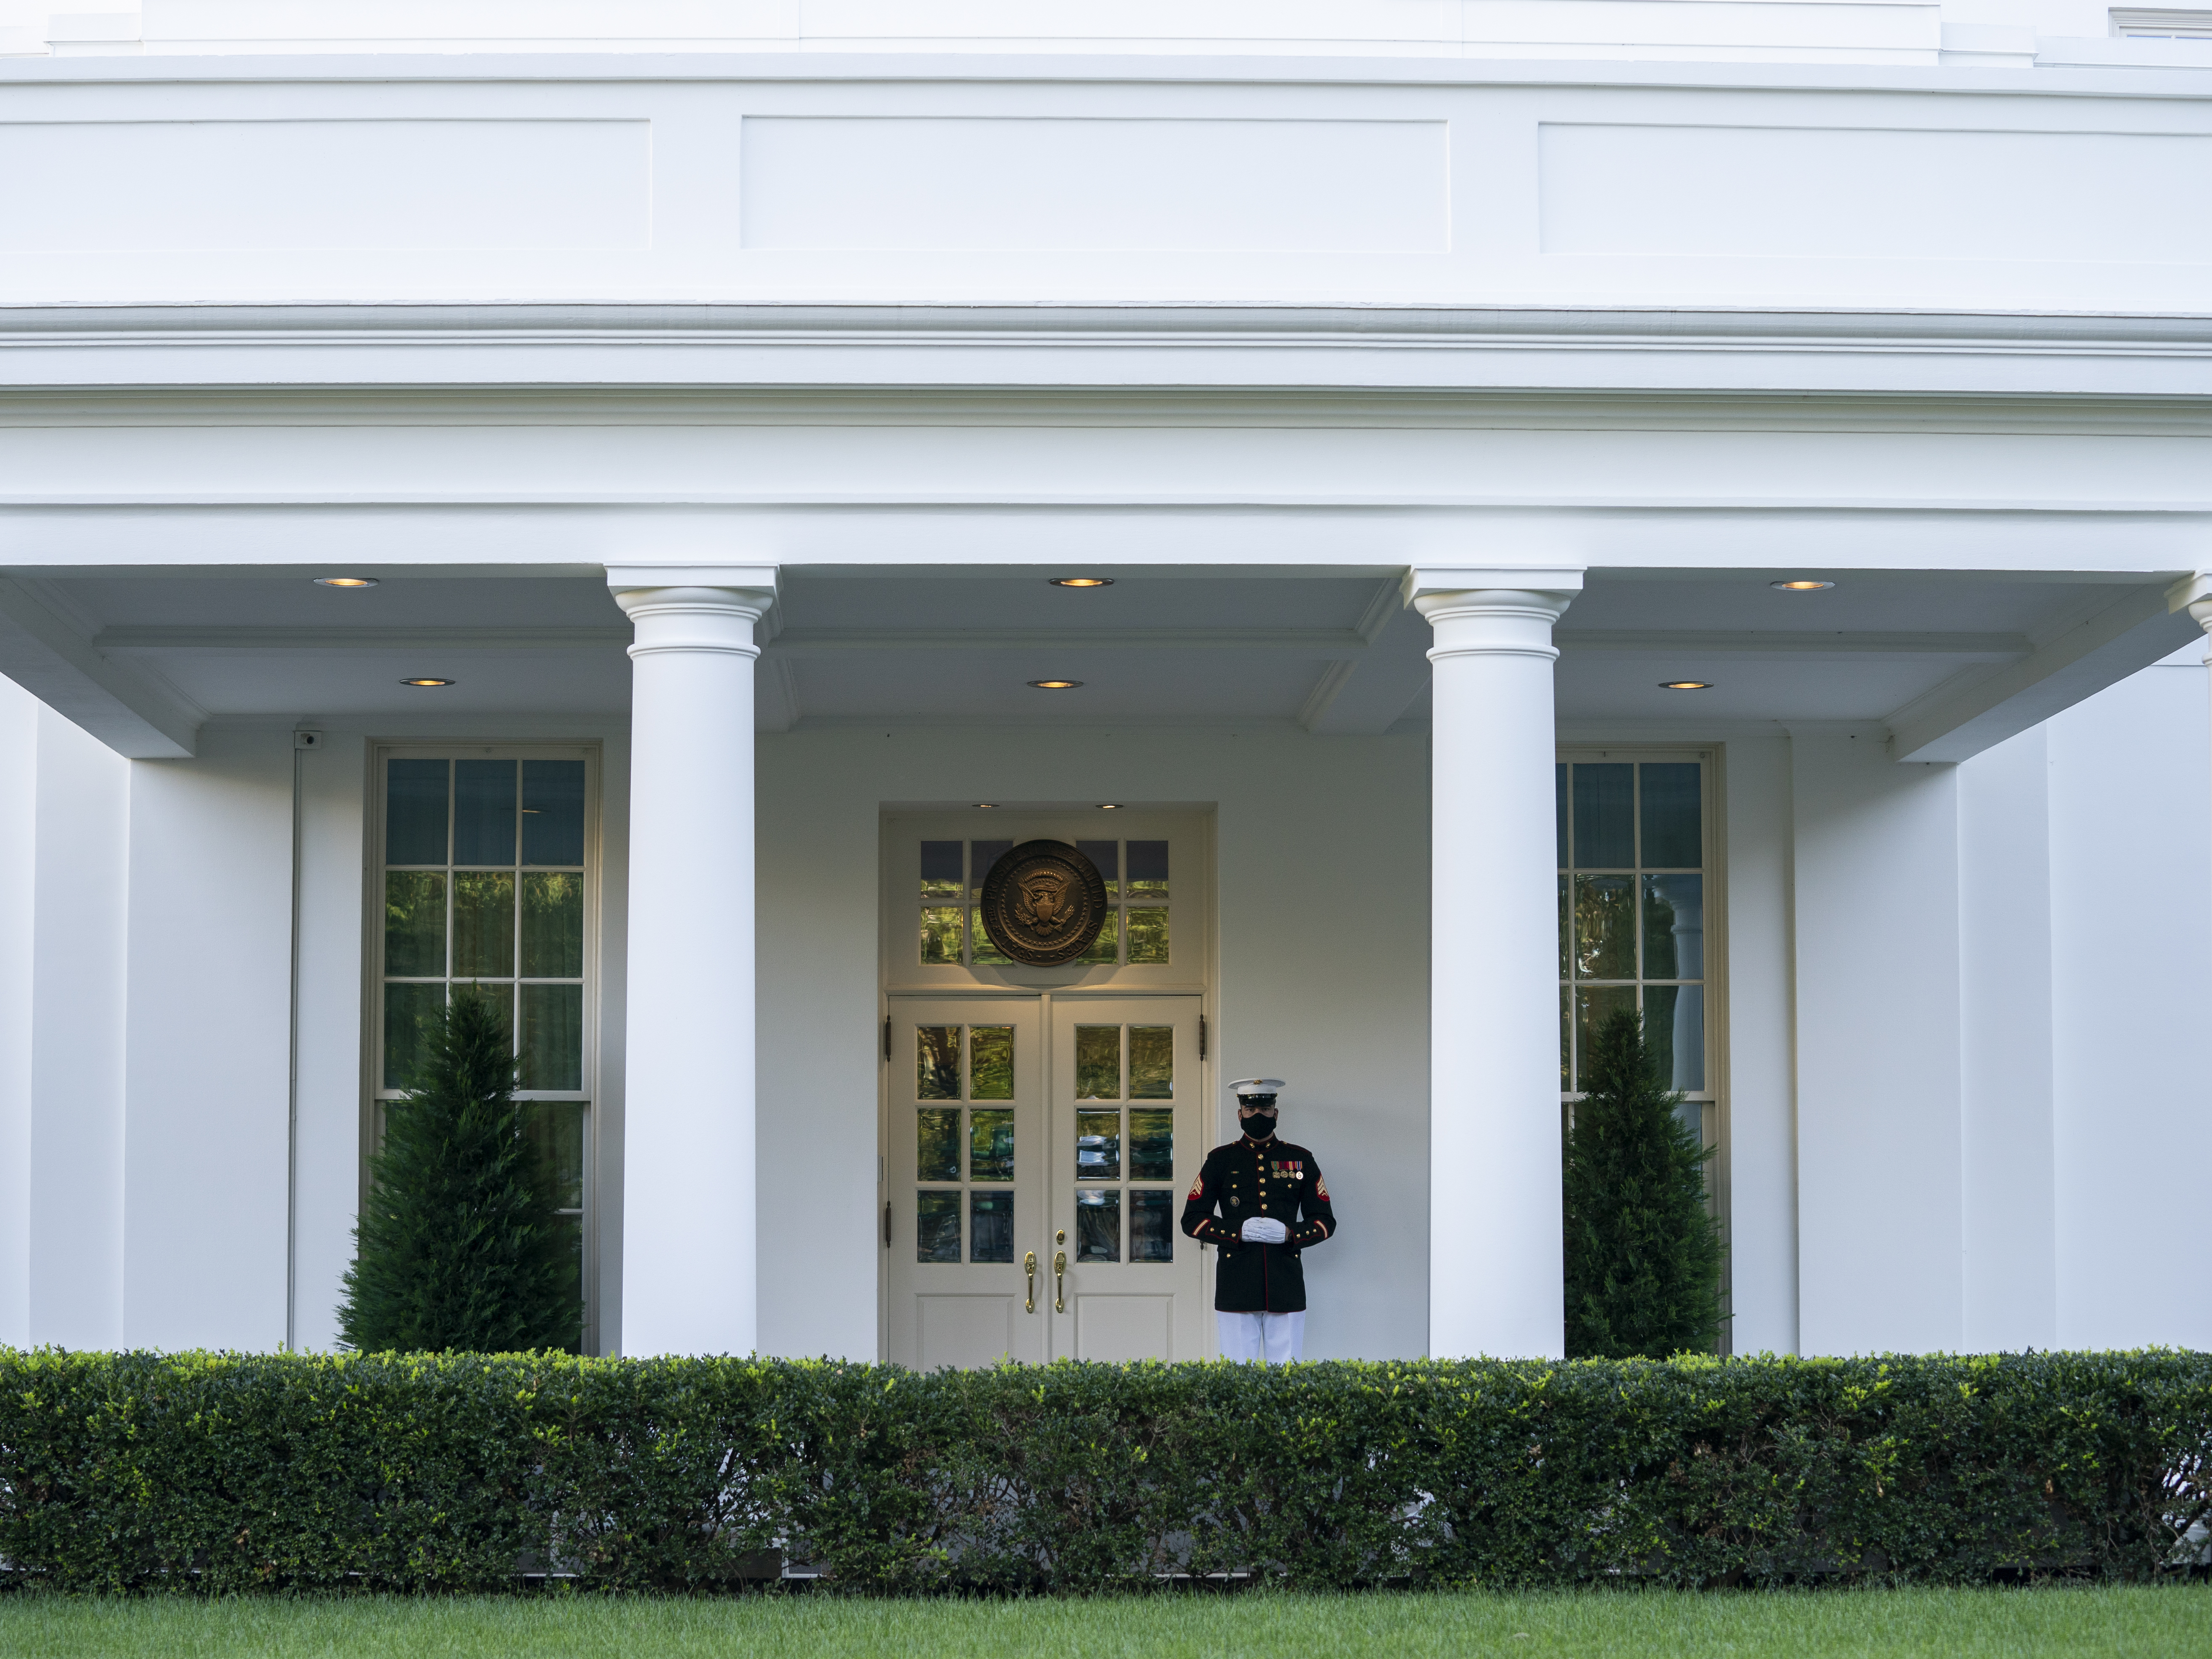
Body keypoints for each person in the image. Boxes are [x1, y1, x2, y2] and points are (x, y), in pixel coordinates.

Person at [1180, 1077, 1336, 1363]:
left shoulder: (1300, 1159)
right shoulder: (1221, 1160)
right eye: (1250, 1110)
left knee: (1286, 1375)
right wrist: (1237, 1231)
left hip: (1285, 1282)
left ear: (1276, 1113)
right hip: (1236, 1283)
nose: (1257, 1116)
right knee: (1238, 1376)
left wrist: (1290, 1234)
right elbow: (1192, 1219)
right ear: (1239, 1115)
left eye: (1264, 1109)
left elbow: (1325, 1222)